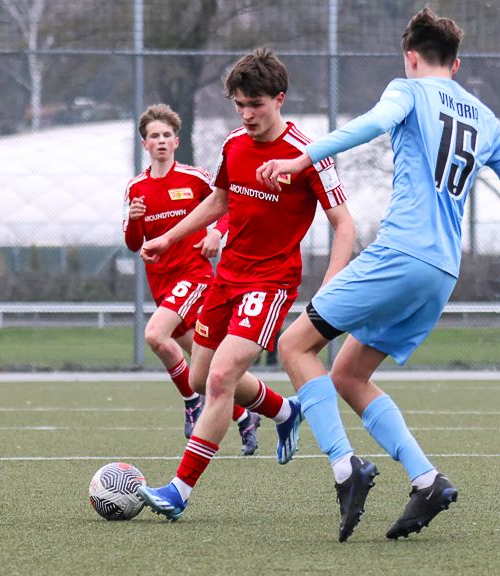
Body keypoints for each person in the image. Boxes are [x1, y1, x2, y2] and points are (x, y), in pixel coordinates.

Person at [255, 7, 500, 541]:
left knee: (294, 347)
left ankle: (344, 466)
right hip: (441, 273)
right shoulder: (485, 118)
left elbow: (373, 124)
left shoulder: (406, 90)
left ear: (411, 57)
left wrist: (299, 160)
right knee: (349, 374)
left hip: (400, 254)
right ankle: (427, 480)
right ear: (456, 62)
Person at [135, 49, 356, 519]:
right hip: (227, 276)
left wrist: (332, 286)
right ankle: (284, 412)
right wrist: (168, 237)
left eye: (255, 103)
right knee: (198, 376)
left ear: (279, 98)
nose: (247, 114)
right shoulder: (234, 143)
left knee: (218, 379)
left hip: (271, 281)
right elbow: (219, 200)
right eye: (239, 104)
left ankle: (179, 491)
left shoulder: (307, 154)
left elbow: (345, 224)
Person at [123, 103, 260, 454]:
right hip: (163, 286)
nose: (161, 141)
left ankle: (191, 402)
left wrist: (217, 234)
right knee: (210, 367)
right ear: (145, 145)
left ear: (176, 140)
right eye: (154, 136)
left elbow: (229, 206)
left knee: (155, 335)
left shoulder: (194, 178)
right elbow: (134, 244)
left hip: (194, 277)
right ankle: (246, 414)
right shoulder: (136, 188)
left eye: (167, 135)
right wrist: (135, 218)